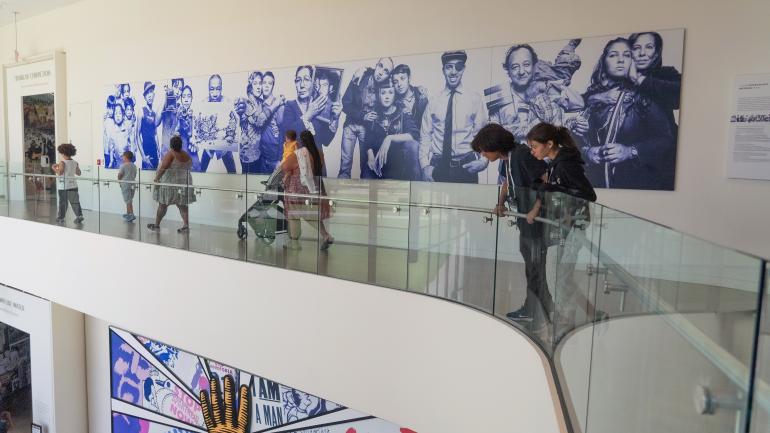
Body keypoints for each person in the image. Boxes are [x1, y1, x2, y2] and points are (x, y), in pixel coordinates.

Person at [472, 123, 551, 326]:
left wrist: (536, 208)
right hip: (525, 219)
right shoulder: (507, 158)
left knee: (535, 268)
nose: (482, 154)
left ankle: (537, 311)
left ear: (495, 145)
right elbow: (508, 181)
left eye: (483, 149)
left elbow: (546, 178)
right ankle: (539, 309)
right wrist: (500, 203)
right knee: (532, 267)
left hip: (536, 221)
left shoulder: (522, 154)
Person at [527, 122, 598, 342]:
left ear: (549, 144)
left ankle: (566, 323)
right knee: (556, 274)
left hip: (571, 229)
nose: (533, 151)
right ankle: (566, 320)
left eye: (535, 146)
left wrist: (553, 188)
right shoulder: (557, 164)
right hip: (562, 227)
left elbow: (588, 194)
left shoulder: (566, 164)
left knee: (558, 275)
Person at [577, 38, 678, 190]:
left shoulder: (645, 94)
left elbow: (665, 139)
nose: (620, 60)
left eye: (627, 55)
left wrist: (629, 151)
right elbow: (573, 140)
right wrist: (587, 152)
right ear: (603, 61)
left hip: (637, 185)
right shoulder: (591, 98)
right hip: (595, 187)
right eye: (613, 55)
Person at [490, 43, 584, 144]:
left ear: (534, 66)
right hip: (512, 157)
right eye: (515, 67)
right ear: (508, 70)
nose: (521, 71)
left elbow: (578, 105)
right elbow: (492, 136)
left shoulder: (546, 88)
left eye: (526, 65)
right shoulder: (498, 95)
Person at [419, 50, 488, 183]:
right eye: (449, 67)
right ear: (443, 70)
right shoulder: (433, 101)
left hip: (466, 167)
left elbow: (482, 135)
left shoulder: (474, 99)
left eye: (458, 67)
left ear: (464, 69)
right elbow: (425, 135)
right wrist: (424, 166)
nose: (453, 71)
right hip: (438, 166)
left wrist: (484, 161)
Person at [338, 58, 394, 178]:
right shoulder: (361, 76)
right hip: (350, 125)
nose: (381, 73)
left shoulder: (386, 87)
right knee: (345, 166)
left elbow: (401, 88)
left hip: (367, 130)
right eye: (380, 66)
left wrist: (418, 90)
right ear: (376, 65)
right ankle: (340, 194)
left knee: (366, 167)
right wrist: (363, 116)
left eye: (386, 71)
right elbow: (345, 104)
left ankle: (364, 195)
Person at [280, 130, 333, 251]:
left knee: (293, 216)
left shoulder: (299, 153)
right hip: (313, 188)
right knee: (311, 214)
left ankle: (294, 243)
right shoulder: (319, 153)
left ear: (301, 141)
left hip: (296, 190)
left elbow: (285, 166)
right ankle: (325, 235)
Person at [362, 78, 421, 180]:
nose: (387, 96)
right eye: (383, 93)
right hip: (379, 164)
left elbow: (414, 134)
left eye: (390, 92)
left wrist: (389, 138)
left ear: (395, 95)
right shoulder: (373, 115)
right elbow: (368, 140)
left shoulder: (402, 113)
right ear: (378, 95)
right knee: (366, 171)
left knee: (413, 145)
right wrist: (370, 157)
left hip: (398, 165)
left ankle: (416, 191)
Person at [280, 66, 341, 155]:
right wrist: (309, 114)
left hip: (317, 165)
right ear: (295, 84)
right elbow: (288, 137)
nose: (302, 85)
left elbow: (326, 140)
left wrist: (335, 118)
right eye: (298, 80)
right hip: (297, 165)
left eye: (306, 79)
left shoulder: (320, 106)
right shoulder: (290, 105)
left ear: (313, 82)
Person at [147, 135, 196, 232]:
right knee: (182, 205)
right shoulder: (186, 155)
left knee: (163, 204)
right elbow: (189, 166)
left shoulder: (171, 154)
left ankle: (156, 225)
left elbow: (163, 168)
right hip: (183, 184)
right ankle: (186, 226)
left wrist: (156, 178)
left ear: (171, 145)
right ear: (181, 145)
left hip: (170, 184)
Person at [199, 74, 238, 173]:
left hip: (224, 142)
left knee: (232, 171)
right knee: (201, 170)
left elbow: (234, 123)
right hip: (209, 140)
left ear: (221, 88)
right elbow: (199, 126)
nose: (215, 93)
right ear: (208, 89)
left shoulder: (228, 102)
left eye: (218, 89)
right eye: (212, 89)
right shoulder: (203, 103)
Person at [256, 71, 287, 173]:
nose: (266, 86)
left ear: (273, 86)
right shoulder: (260, 104)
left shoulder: (279, 105)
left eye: (270, 83)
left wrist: (279, 160)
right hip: (262, 157)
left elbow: (283, 134)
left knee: (276, 188)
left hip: (275, 159)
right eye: (264, 83)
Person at [51, 143, 84, 224]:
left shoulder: (63, 162)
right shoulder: (75, 162)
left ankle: (61, 218)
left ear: (63, 153)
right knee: (75, 202)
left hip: (64, 186)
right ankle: (79, 216)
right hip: (73, 185)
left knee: (63, 202)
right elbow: (79, 173)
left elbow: (60, 172)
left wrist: (54, 167)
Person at [392, 64, 430, 134]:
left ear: (409, 78)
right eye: (395, 82)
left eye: (402, 79)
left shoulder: (421, 95)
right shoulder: (393, 103)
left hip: (425, 138)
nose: (399, 84)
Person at [136, 81, 164, 169]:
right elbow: (137, 135)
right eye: (147, 93)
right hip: (146, 152)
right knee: (146, 180)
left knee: (155, 179)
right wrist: (143, 156)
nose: (149, 95)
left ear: (154, 94)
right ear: (144, 96)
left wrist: (158, 150)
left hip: (154, 152)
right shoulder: (141, 111)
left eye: (151, 92)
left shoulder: (154, 113)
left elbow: (155, 133)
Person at [173, 85, 201, 171]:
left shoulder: (196, 113)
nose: (186, 99)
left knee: (197, 168)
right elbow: (175, 129)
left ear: (192, 98)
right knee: (182, 170)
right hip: (182, 145)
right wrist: (176, 133)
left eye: (188, 96)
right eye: (184, 96)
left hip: (192, 147)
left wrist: (196, 139)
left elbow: (200, 133)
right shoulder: (178, 112)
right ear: (181, 98)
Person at [118, 151, 138, 223]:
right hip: (132, 184)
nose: (122, 158)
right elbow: (135, 175)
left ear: (125, 157)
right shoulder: (134, 166)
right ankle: (128, 214)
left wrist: (119, 182)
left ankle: (131, 214)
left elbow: (119, 175)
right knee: (129, 200)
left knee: (128, 201)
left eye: (123, 156)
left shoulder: (123, 165)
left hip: (125, 185)